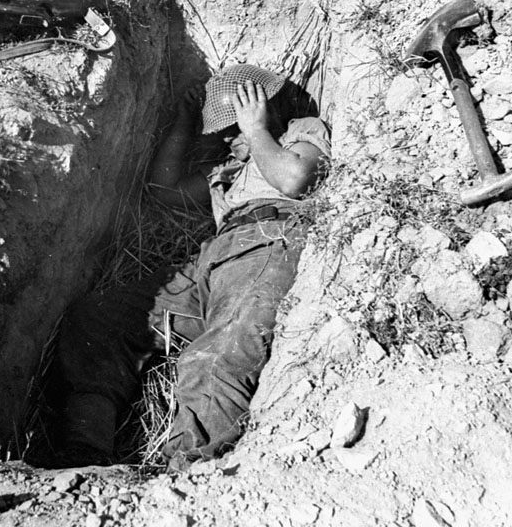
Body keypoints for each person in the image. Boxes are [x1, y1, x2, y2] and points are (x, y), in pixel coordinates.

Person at [56, 64, 331, 470]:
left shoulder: (298, 133)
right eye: (224, 132)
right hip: (209, 261)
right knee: (99, 319)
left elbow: (294, 181)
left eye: (233, 126)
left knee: (222, 352)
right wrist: (185, 123)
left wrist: (256, 131)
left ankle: (187, 470)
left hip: (267, 244)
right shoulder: (230, 168)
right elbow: (164, 191)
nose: (228, 138)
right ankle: (84, 452)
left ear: (264, 109)